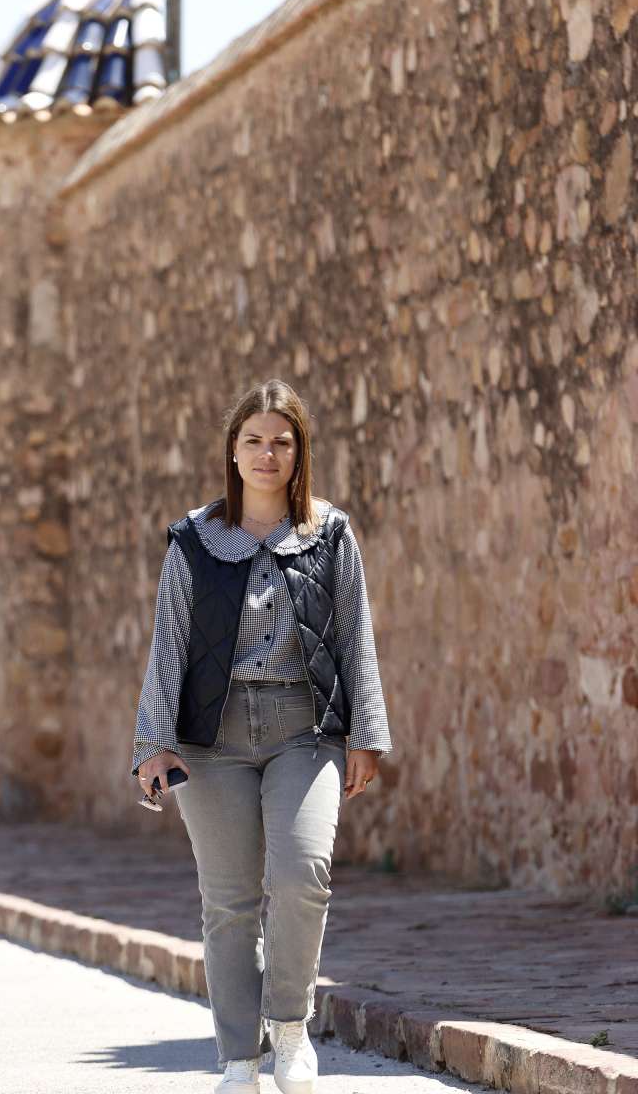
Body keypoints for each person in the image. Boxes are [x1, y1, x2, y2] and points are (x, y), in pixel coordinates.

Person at [131, 378, 393, 1094]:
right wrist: (153, 742)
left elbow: (354, 636)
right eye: (254, 440)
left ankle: (290, 1028)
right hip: (211, 742)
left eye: (282, 440)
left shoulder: (330, 534)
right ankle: (239, 1064)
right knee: (229, 903)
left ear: (299, 451)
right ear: (234, 452)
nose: (268, 453)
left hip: (304, 733)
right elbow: (170, 643)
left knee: (301, 874)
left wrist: (365, 734)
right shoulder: (193, 540)